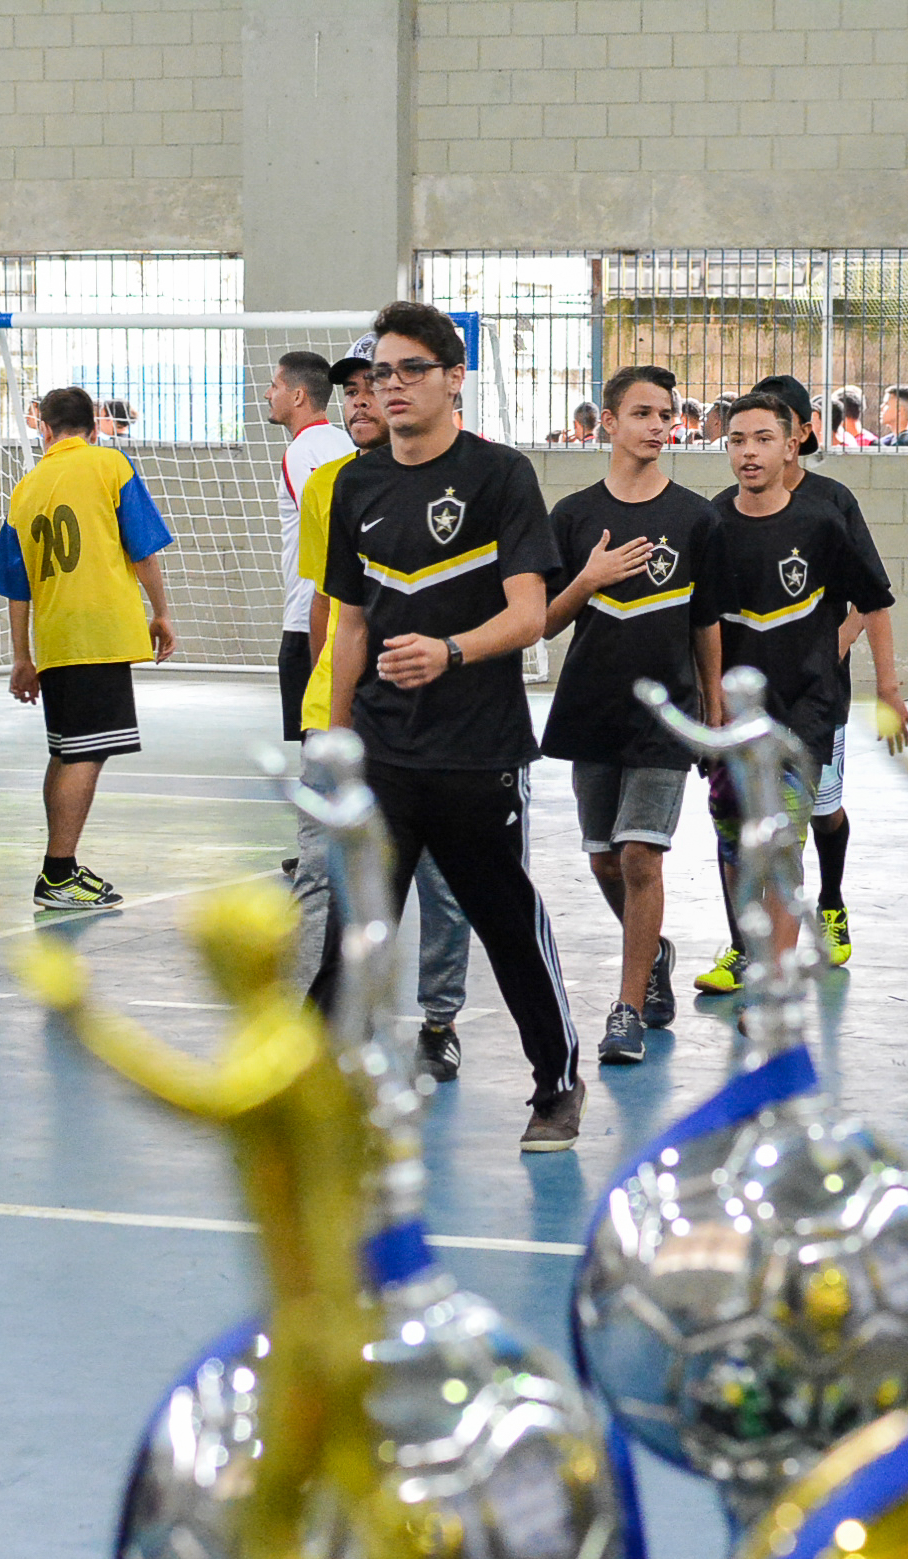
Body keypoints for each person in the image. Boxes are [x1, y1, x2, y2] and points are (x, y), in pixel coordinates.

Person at [310, 300, 583, 1152]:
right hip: (385, 752)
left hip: (477, 752)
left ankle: (558, 1085)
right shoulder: (355, 485)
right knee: (353, 932)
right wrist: (336, 736)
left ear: (452, 378)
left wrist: (451, 653)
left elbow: (531, 615)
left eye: (407, 371)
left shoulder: (501, 476)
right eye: (376, 375)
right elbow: (351, 626)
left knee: (508, 927)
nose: (389, 388)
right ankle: (313, 1099)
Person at [289, 337, 473, 1076]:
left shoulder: (470, 475)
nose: (363, 399)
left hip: (434, 720)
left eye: (376, 384)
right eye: (354, 389)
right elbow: (326, 608)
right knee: (315, 870)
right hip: (337, 714)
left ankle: (438, 1018)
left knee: (441, 884)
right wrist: (325, 708)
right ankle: (311, 1025)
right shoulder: (330, 484)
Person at [541, 362, 719, 1065]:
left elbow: (707, 623)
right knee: (606, 862)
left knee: (642, 854)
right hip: (593, 709)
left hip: (667, 714)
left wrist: (712, 707)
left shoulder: (696, 517)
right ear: (608, 422)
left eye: (665, 413)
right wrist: (589, 579)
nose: (657, 425)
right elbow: (542, 623)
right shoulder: (575, 516)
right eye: (641, 413)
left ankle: (627, 1007)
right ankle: (656, 955)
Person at [697, 392, 893, 978]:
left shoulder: (822, 521)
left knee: (783, 844)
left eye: (763, 439)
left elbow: (874, 600)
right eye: (737, 440)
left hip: (806, 712)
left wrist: (887, 688)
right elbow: (698, 623)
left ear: (792, 444)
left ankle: (772, 987)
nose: (749, 452)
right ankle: (747, 946)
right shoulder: (712, 524)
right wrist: (709, 708)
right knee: (736, 843)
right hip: (735, 720)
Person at [0, 383, 176, 909]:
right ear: (93, 426)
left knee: (65, 751)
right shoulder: (109, 467)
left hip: (54, 637)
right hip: (99, 632)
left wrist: (22, 656)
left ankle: (61, 866)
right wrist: (160, 612)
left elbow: (15, 583)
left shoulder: (26, 489)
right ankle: (57, 872)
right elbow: (143, 548)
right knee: (86, 754)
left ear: (43, 428)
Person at [268, 349, 352, 742]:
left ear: (298, 396)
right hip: (341, 616)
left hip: (311, 618)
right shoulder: (343, 442)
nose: (269, 394)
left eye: (276, 385)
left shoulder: (304, 450)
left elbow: (332, 534)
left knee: (320, 745)